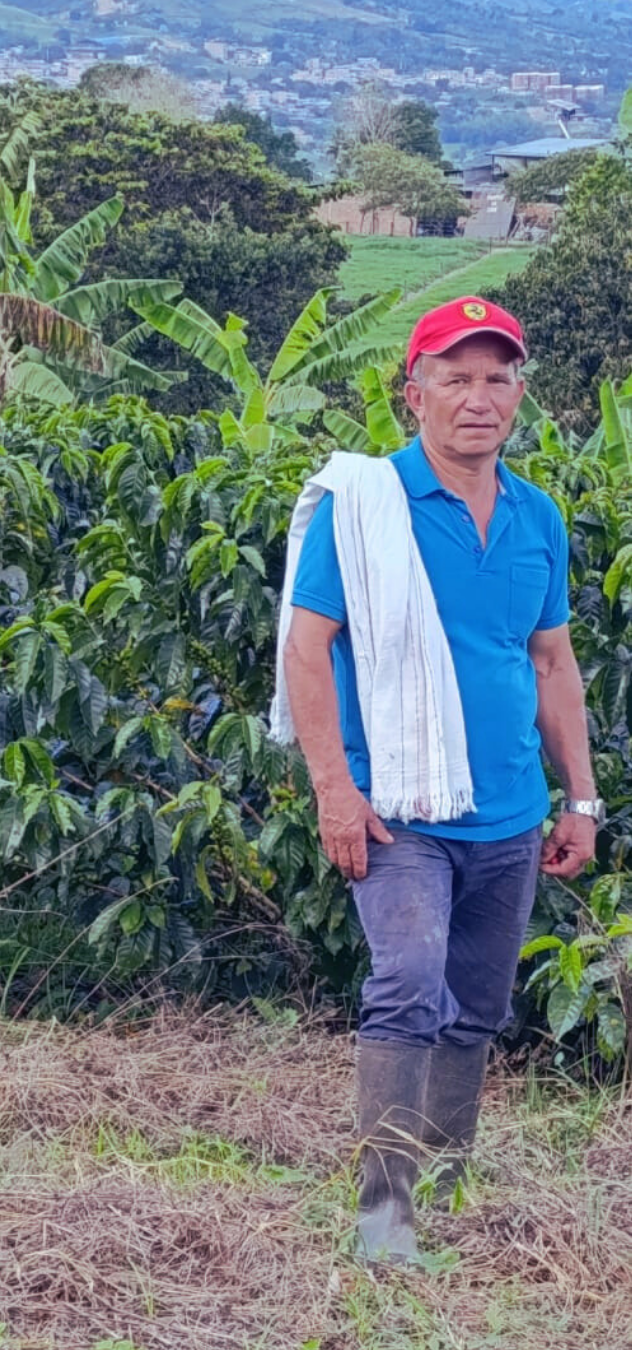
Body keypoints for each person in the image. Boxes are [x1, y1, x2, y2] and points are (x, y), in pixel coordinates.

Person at [280, 296, 600, 1265]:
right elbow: (307, 648)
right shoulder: (366, 508)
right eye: (455, 378)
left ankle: (447, 1184)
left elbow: (551, 663)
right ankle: (385, 1223)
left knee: (477, 1005)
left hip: (508, 812)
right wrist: (334, 789)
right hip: (397, 811)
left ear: (519, 394)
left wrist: (580, 798)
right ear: (413, 393)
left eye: (497, 378)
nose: (478, 398)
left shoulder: (538, 517)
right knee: (408, 985)